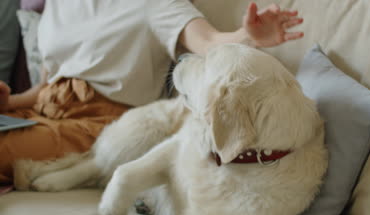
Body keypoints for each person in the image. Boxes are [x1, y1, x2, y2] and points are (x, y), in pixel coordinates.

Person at [0, 0, 304, 190]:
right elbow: (45, 88)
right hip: (41, 113)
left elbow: (210, 42)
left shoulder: (155, 4)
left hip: (101, 125)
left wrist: (249, 36)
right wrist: (10, 103)